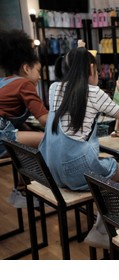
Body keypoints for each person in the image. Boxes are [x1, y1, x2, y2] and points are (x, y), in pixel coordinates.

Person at [38, 47, 119, 249]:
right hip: (75, 172)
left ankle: (102, 224)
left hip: (51, 170)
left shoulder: (54, 88)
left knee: (107, 167)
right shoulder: (94, 92)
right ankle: (104, 229)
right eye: (97, 70)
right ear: (91, 68)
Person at [0, 29, 48, 208]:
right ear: (26, 68)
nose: (40, 77)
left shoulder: (4, 81)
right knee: (47, 140)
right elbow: (45, 120)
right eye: (38, 71)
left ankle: (22, 189)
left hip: (3, 131)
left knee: (31, 141)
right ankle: (33, 190)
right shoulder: (24, 83)